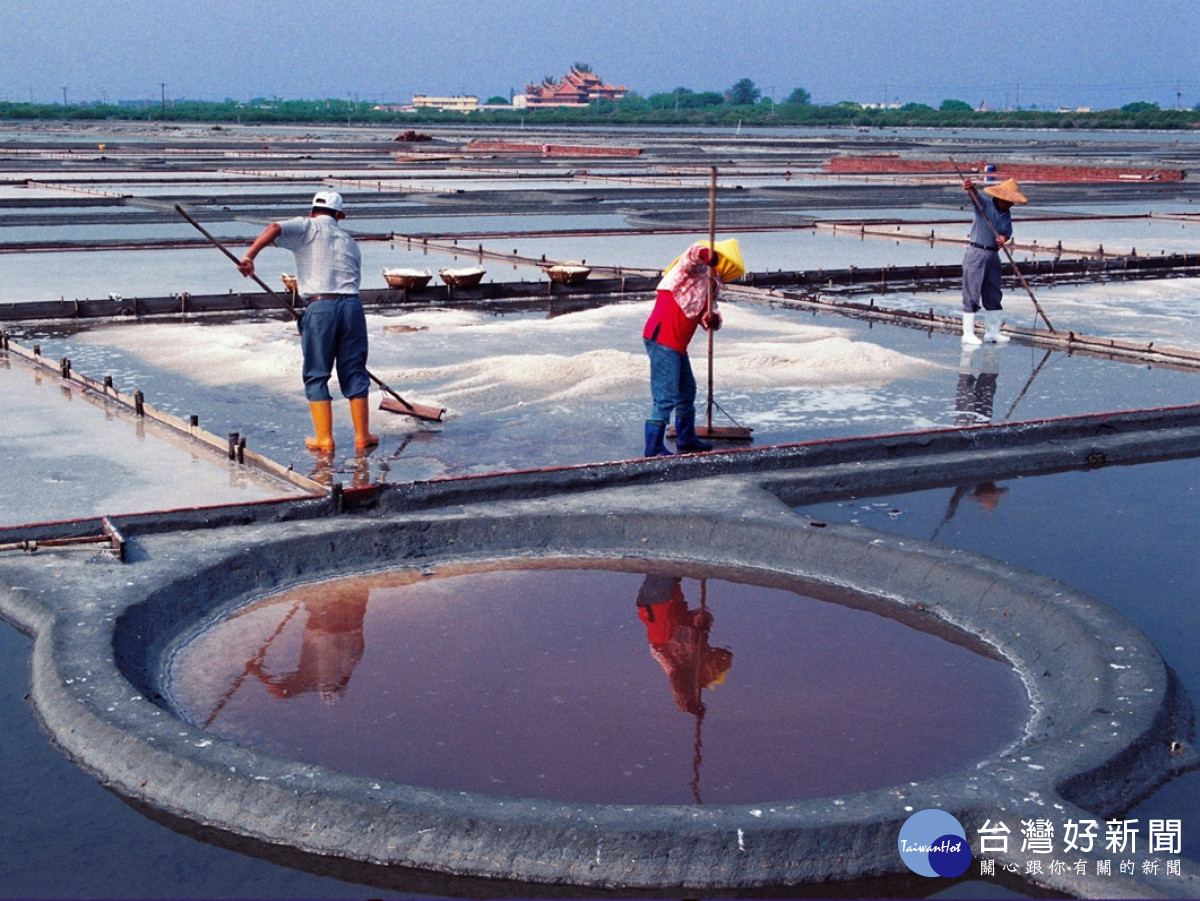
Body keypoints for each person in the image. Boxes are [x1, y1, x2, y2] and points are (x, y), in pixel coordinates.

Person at [237, 190, 378, 453]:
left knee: (317, 372)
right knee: (355, 370)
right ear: (340, 216)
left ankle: (324, 439)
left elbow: (275, 228)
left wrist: (249, 257)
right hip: (352, 306)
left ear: (313, 211)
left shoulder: (307, 226)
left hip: (321, 305)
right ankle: (363, 436)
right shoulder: (348, 241)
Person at [642, 238, 745, 457]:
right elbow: (691, 257)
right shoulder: (686, 273)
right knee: (665, 395)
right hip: (663, 338)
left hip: (678, 343)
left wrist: (712, 320)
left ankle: (686, 437)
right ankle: (653, 447)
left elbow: (707, 313)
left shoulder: (711, 285)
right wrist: (706, 255)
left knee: (687, 390)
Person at [961, 178, 1027, 346]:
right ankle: (968, 334)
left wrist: (1003, 238)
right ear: (1000, 198)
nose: (1010, 204)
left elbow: (1007, 232)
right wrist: (971, 188)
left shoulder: (1006, 214)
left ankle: (992, 333)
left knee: (993, 293)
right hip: (977, 252)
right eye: (1008, 201)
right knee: (972, 292)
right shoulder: (985, 205)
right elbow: (974, 196)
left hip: (993, 255)